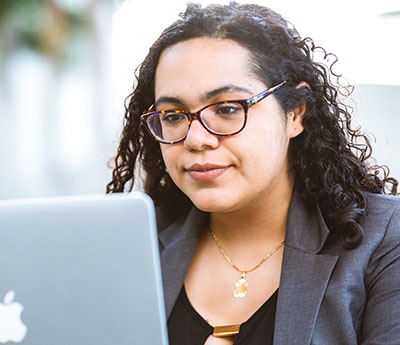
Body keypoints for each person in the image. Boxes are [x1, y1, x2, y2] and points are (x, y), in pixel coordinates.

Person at [107, 2, 400, 344]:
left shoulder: (383, 241)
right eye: (172, 115)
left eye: (228, 109)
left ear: (296, 114)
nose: (196, 139)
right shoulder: (136, 246)